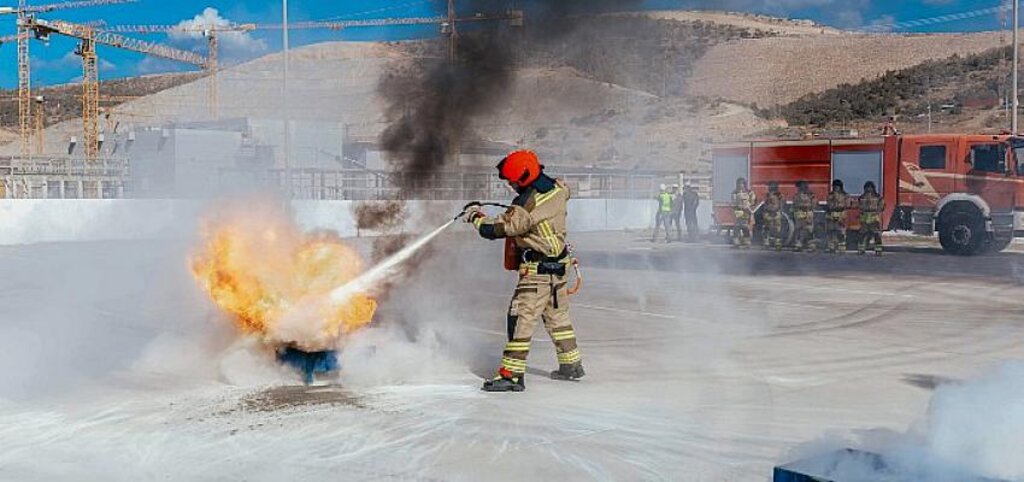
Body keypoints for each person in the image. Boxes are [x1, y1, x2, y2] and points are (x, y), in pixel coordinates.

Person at [464, 150, 584, 392]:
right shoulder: (559, 189)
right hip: (559, 269)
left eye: (512, 181)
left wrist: (475, 216)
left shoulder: (526, 205)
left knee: (520, 319)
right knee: (558, 319)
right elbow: (564, 193)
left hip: (537, 274)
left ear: (524, 178)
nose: (510, 185)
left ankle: (511, 375)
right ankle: (571, 365)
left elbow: (499, 229)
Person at [858, 181, 884, 255]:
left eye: (870, 187)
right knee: (862, 234)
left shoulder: (878, 197)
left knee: (876, 234)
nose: (869, 189)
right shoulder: (862, 197)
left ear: (873, 188)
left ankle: (878, 250)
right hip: (865, 217)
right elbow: (859, 206)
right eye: (867, 187)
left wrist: (877, 211)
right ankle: (861, 249)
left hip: (874, 217)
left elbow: (882, 205)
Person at [792, 180, 817, 252]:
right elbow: (794, 204)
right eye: (798, 186)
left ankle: (811, 246)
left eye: (800, 186)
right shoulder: (797, 195)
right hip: (799, 214)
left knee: (809, 230)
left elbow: (814, 204)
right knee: (799, 230)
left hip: (807, 213)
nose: (799, 188)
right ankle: (798, 245)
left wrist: (810, 210)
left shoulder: (811, 195)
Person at [825, 179, 849, 254]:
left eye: (837, 186)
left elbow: (847, 205)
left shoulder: (845, 195)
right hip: (831, 214)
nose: (835, 188)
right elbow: (828, 204)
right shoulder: (830, 195)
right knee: (831, 231)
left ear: (840, 187)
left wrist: (842, 215)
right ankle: (831, 247)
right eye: (834, 186)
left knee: (841, 232)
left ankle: (841, 247)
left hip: (841, 214)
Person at [731, 177, 755, 249]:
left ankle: (746, 241)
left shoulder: (749, 192)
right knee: (737, 226)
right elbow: (734, 202)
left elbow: (753, 201)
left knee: (746, 227)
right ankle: (736, 241)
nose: (740, 185)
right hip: (738, 211)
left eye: (742, 183)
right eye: (739, 183)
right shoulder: (734, 192)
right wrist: (738, 206)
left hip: (747, 212)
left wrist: (749, 206)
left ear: (744, 184)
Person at [762, 181, 785, 251]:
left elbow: (782, 204)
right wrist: (765, 212)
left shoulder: (779, 195)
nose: (769, 187)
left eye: (770, 186)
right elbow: (765, 204)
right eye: (769, 186)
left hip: (776, 213)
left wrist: (780, 212)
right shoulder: (767, 195)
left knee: (777, 229)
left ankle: (778, 244)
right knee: (766, 228)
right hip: (768, 213)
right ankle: (766, 243)